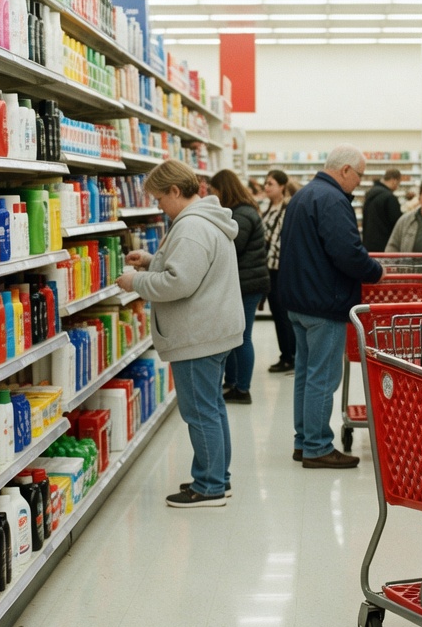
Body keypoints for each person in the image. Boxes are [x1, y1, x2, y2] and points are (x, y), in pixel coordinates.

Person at [116, 161, 245, 508]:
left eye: (160, 199)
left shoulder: (191, 227)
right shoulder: (205, 220)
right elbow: (187, 268)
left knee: (200, 412)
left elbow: (179, 282)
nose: (159, 206)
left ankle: (209, 487)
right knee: (212, 408)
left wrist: (136, 282)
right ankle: (218, 477)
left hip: (196, 335)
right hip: (212, 329)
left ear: (175, 191)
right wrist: (151, 261)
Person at [280, 145, 384, 469]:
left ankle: (303, 441)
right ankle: (317, 446)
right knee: (324, 377)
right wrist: (375, 271)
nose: (360, 183)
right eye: (360, 177)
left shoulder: (303, 195)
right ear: (345, 171)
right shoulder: (334, 200)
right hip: (325, 302)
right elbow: (347, 252)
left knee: (306, 375)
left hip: (298, 300)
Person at [207, 169, 270, 405]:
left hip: (248, 284)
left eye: (215, 192)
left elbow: (235, 245)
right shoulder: (241, 211)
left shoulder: (242, 214)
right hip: (245, 282)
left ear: (224, 189)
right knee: (235, 336)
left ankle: (243, 389)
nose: (215, 197)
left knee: (243, 337)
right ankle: (232, 383)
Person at [261, 171, 296, 373]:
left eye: (271, 184)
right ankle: (286, 354)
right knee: (277, 312)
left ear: (282, 186)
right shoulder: (269, 208)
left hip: (281, 269)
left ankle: (290, 356)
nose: (266, 187)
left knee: (283, 314)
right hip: (269, 268)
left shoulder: (287, 208)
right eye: (265, 183)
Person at [360, 168, 402, 252]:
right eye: (398, 184)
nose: (397, 187)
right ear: (394, 180)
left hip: (368, 244)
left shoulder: (370, 193)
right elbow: (397, 223)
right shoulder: (390, 198)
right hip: (384, 246)